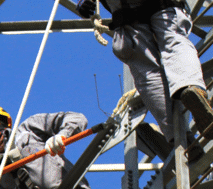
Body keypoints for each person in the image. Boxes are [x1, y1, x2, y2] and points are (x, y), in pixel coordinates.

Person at [75, 0, 213, 157]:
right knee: (174, 40)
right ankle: (191, 87)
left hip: (124, 9)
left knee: (147, 73)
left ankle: (180, 137)